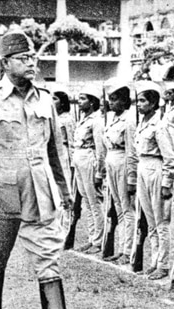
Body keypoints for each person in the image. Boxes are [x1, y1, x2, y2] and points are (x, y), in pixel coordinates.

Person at [0, 30, 72, 309]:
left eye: (33, 57)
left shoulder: (45, 98)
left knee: (48, 262)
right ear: (5, 63)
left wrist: (65, 191)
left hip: (40, 193)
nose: (31, 63)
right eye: (23, 58)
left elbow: (55, 151)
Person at [131, 81, 174, 280]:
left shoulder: (160, 125)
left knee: (161, 220)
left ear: (152, 104)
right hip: (143, 166)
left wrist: (167, 182)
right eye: (138, 101)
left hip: (156, 168)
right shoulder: (142, 124)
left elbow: (170, 157)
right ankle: (154, 260)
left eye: (143, 101)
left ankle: (164, 264)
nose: (139, 104)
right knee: (149, 219)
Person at [101, 78, 137, 265]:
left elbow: (132, 150)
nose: (111, 102)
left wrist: (131, 176)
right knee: (117, 206)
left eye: (115, 99)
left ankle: (128, 250)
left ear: (124, 100)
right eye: (110, 99)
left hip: (123, 161)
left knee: (126, 207)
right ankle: (122, 248)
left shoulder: (129, 120)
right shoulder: (112, 118)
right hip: (111, 161)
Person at [71, 85, 105, 254]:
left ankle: (98, 241)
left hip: (89, 159)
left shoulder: (97, 120)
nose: (79, 101)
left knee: (94, 201)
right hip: (79, 157)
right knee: (86, 201)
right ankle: (92, 238)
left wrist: (99, 171)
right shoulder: (83, 119)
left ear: (92, 102)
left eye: (83, 98)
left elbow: (100, 148)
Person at [52, 85, 76, 197]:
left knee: (64, 181)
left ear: (62, 103)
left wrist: (72, 163)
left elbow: (72, 141)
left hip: (63, 152)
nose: (52, 101)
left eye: (55, 99)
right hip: (53, 152)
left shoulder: (67, 119)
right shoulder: (53, 118)